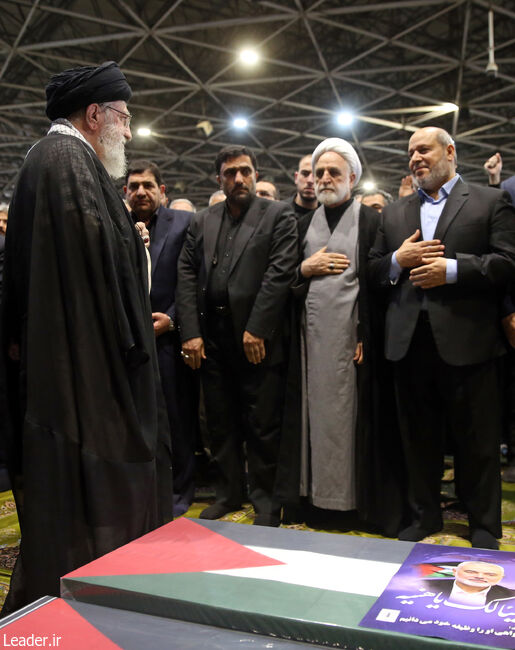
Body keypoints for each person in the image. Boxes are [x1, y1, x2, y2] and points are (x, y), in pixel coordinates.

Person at [0, 61, 173, 613]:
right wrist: (131, 245)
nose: (128, 129)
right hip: (85, 371)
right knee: (94, 493)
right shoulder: (67, 161)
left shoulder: (59, 159)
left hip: (74, 361)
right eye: (123, 117)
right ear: (95, 115)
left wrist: (127, 237)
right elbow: (95, 270)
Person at [368, 126, 515, 549]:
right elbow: (374, 269)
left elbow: (507, 262)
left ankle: (484, 526)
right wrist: (399, 259)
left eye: (424, 149)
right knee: (418, 440)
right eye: (410, 151)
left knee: (478, 442)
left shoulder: (490, 200)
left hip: (469, 344)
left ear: (450, 152)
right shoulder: (395, 212)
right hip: (408, 345)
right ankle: (423, 516)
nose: (415, 158)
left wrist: (452, 269)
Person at [277, 138, 403, 536]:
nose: (326, 178)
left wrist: (367, 330)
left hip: (351, 344)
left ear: (353, 177)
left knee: (349, 422)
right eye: (320, 172)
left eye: (334, 172)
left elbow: (379, 281)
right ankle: (314, 501)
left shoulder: (371, 220)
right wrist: (306, 268)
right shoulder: (301, 224)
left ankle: (350, 505)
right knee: (312, 420)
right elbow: (284, 281)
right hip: (309, 343)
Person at [176, 144, 298, 527]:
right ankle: (229, 493)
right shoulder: (202, 220)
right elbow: (186, 273)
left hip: (257, 338)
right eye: (230, 173)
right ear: (219, 179)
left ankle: (265, 500)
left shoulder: (278, 215)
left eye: (245, 171)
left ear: (256, 174)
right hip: (211, 338)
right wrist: (190, 333)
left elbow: (280, 274)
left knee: (262, 425)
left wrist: (257, 328)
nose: (239, 179)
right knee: (220, 422)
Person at [124, 160, 198, 516]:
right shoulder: (118, 224)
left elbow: (193, 279)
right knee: (137, 422)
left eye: (148, 185)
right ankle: (145, 491)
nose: (140, 191)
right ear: (125, 191)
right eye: (134, 185)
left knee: (176, 419)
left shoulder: (183, 223)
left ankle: (180, 491)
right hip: (130, 342)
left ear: (162, 191)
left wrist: (172, 319)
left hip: (170, 339)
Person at [425, 561, 514, 608]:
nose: (479, 577)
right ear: (454, 572)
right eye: (471, 572)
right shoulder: (425, 586)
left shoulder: (511, 596)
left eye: (490, 574)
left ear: (501, 577)